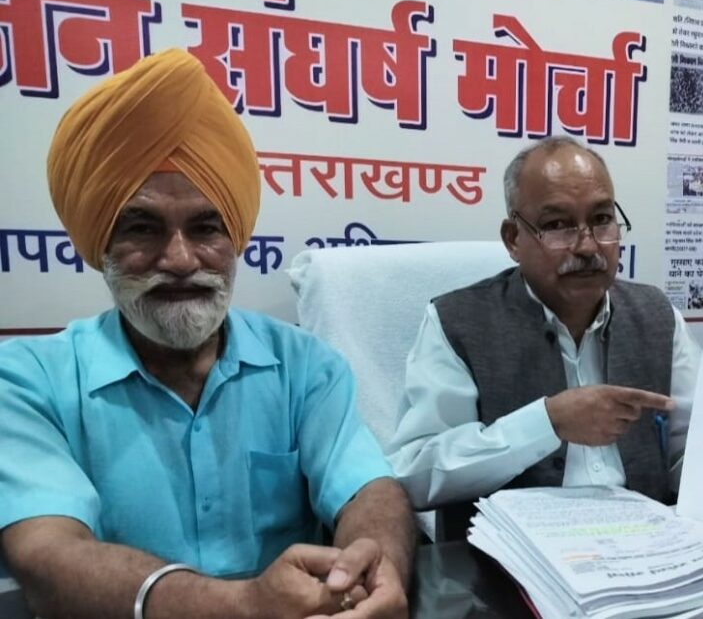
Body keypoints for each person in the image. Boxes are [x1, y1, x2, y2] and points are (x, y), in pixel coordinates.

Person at [0, 49, 415, 619]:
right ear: (99, 244)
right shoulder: (26, 381)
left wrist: (377, 562)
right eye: (142, 228)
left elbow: (369, 488)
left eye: (205, 228)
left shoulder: (304, 365)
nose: (179, 259)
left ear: (236, 238)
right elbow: (47, 557)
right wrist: (242, 605)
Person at [386, 136, 703, 536]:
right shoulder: (456, 320)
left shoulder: (656, 315)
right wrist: (546, 424)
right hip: (509, 572)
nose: (587, 246)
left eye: (602, 220)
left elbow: (694, 453)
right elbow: (414, 473)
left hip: (646, 553)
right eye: (558, 225)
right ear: (513, 239)